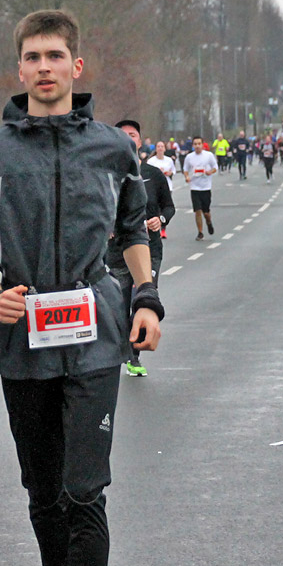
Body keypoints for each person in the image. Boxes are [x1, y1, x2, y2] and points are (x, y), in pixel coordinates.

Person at [0, 9, 163, 566]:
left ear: (77, 68)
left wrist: (146, 298)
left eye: (55, 56)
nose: (44, 67)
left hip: (96, 335)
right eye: (32, 56)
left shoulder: (111, 148)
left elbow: (132, 229)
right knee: (42, 492)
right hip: (23, 340)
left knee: (85, 490)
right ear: (19, 70)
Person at [111, 119, 174, 377]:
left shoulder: (153, 174)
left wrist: (161, 219)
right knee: (121, 304)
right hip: (116, 252)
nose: (128, 138)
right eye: (123, 134)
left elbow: (168, 207)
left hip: (151, 249)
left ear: (140, 141)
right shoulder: (108, 176)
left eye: (133, 134)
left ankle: (134, 357)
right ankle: (120, 352)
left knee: (143, 299)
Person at [184, 134, 218, 240]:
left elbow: (215, 167)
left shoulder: (208, 155)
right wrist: (187, 177)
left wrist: (210, 172)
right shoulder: (189, 157)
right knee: (197, 210)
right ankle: (200, 232)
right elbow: (185, 169)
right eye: (195, 144)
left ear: (203, 145)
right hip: (194, 187)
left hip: (206, 187)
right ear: (193, 145)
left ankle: (208, 221)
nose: (197, 146)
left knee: (206, 212)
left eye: (199, 144)